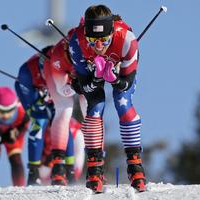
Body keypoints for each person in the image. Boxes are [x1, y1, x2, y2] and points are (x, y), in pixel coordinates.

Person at [67, 4, 146, 192]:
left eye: (104, 39)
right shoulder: (77, 41)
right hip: (91, 70)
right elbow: (83, 85)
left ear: (112, 33)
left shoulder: (127, 40)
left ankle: (135, 165)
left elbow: (127, 82)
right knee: (94, 106)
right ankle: (94, 168)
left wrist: (116, 79)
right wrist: (94, 78)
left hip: (120, 67)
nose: (99, 46)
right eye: (92, 40)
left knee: (122, 103)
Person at [14, 46, 78, 185]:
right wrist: (38, 101)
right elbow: (24, 92)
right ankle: (33, 172)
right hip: (38, 100)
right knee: (38, 124)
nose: (48, 73)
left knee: (63, 125)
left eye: (51, 70)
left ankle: (68, 169)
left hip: (56, 99)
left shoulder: (64, 67)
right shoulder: (27, 71)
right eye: (45, 70)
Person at [42, 23, 87, 186]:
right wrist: (76, 85)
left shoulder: (93, 49)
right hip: (61, 79)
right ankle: (58, 166)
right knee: (65, 109)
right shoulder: (59, 56)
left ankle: (97, 163)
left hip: (78, 79)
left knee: (91, 108)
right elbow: (63, 91)